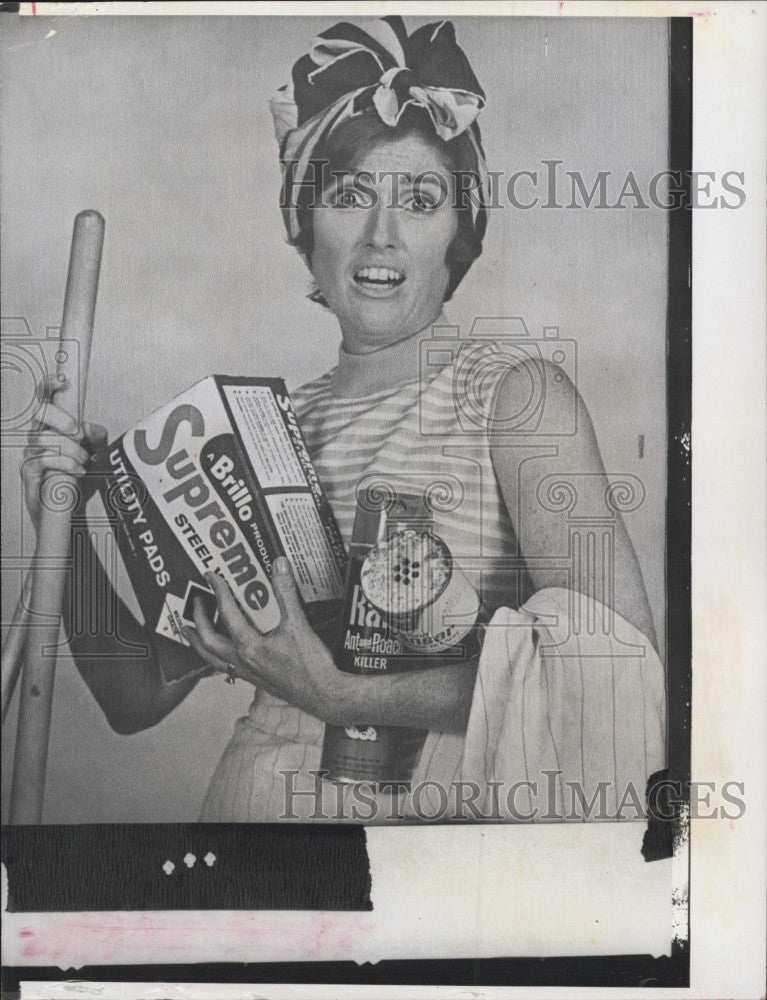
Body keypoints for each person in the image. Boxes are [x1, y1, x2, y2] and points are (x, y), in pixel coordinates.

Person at [22, 16, 664, 824]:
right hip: (248, 848)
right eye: (349, 193)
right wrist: (63, 523)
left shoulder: (514, 397)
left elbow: (614, 684)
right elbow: (135, 691)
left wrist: (335, 690)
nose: (380, 236)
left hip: (414, 865)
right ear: (306, 220)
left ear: (459, 232)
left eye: (420, 199)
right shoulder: (260, 426)